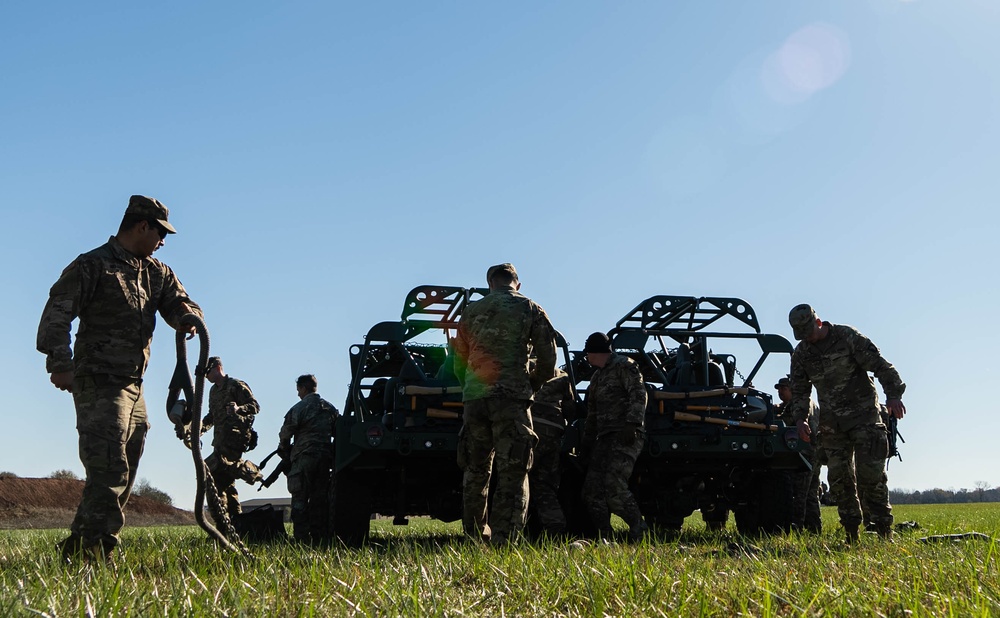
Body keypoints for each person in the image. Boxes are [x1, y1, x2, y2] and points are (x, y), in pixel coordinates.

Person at [37, 195, 202, 563]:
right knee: (109, 466)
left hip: (135, 387)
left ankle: (81, 546)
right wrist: (60, 364)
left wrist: (188, 317)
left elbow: (180, 303)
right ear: (142, 226)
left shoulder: (156, 272)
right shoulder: (92, 265)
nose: (163, 242)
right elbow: (56, 316)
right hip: (99, 382)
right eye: (161, 233)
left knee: (125, 465)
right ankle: (95, 554)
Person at [453, 263, 557, 545]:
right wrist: (530, 385)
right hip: (511, 399)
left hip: (475, 400)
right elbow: (548, 361)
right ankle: (505, 540)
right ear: (517, 284)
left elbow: (458, 362)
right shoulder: (530, 308)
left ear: (490, 284)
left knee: (475, 471)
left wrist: (472, 387)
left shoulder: (471, 311)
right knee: (513, 471)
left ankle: (474, 538)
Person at [788, 304, 906, 543]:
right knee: (840, 481)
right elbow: (800, 391)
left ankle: (884, 532)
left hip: (865, 418)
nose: (808, 339)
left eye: (809, 333)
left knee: (871, 478)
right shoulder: (801, 354)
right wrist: (800, 420)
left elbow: (879, 364)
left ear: (818, 323)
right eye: (802, 336)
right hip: (832, 426)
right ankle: (851, 534)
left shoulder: (846, 336)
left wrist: (893, 394)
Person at [579, 332, 647, 542]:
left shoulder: (624, 365)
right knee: (591, 490)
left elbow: (638, 393)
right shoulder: (597, 377)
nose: (586, 358)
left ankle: (639, 529)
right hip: (604, 437)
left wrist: (632, 424)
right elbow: (592, 414)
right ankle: (605, 536)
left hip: (625, 435)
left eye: (587, 354)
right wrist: (586, 444)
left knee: (614, 485)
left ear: (593, 352)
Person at [278, 374, 339, 545]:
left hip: (303, 459)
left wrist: (284, 450)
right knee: (320, 500)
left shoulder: (299, 408)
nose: (298, 394)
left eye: (298, 390)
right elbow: (338, 432)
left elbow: (286, 433)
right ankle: (321, 539)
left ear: (304, 388)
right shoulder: (330, 409)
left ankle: (302, 540)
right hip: (324, 460)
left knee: (299, 500)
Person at [202, 356, 263, 528]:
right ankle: (237, 524)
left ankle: (223, 527)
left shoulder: (236, 385)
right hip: (220, 441)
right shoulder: (213, 392)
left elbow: (255, 406)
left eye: (208, 372)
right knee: (227, 485)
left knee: (212, 477)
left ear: (218, 368)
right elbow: (211, 416)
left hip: (234, 440)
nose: (206, 376)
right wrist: (199, 429)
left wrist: (238, 409)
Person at [528, 369, 576, 539]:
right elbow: (570, 409)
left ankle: (512, 530)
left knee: (517, 481)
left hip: (530, 429)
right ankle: (555, 527)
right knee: (545, 485)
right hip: (554, 433)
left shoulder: (522, 367)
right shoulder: (562, 375)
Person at [775, 375, 822, 533]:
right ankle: (814, 528)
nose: (780, 392)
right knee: (811, 493)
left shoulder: (797, 406)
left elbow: (783, 422)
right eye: (779, 389)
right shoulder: (810, 403)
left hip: (803, 456)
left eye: (783, 388)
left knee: (798, 493)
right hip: (814, 453)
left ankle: (796, 528)